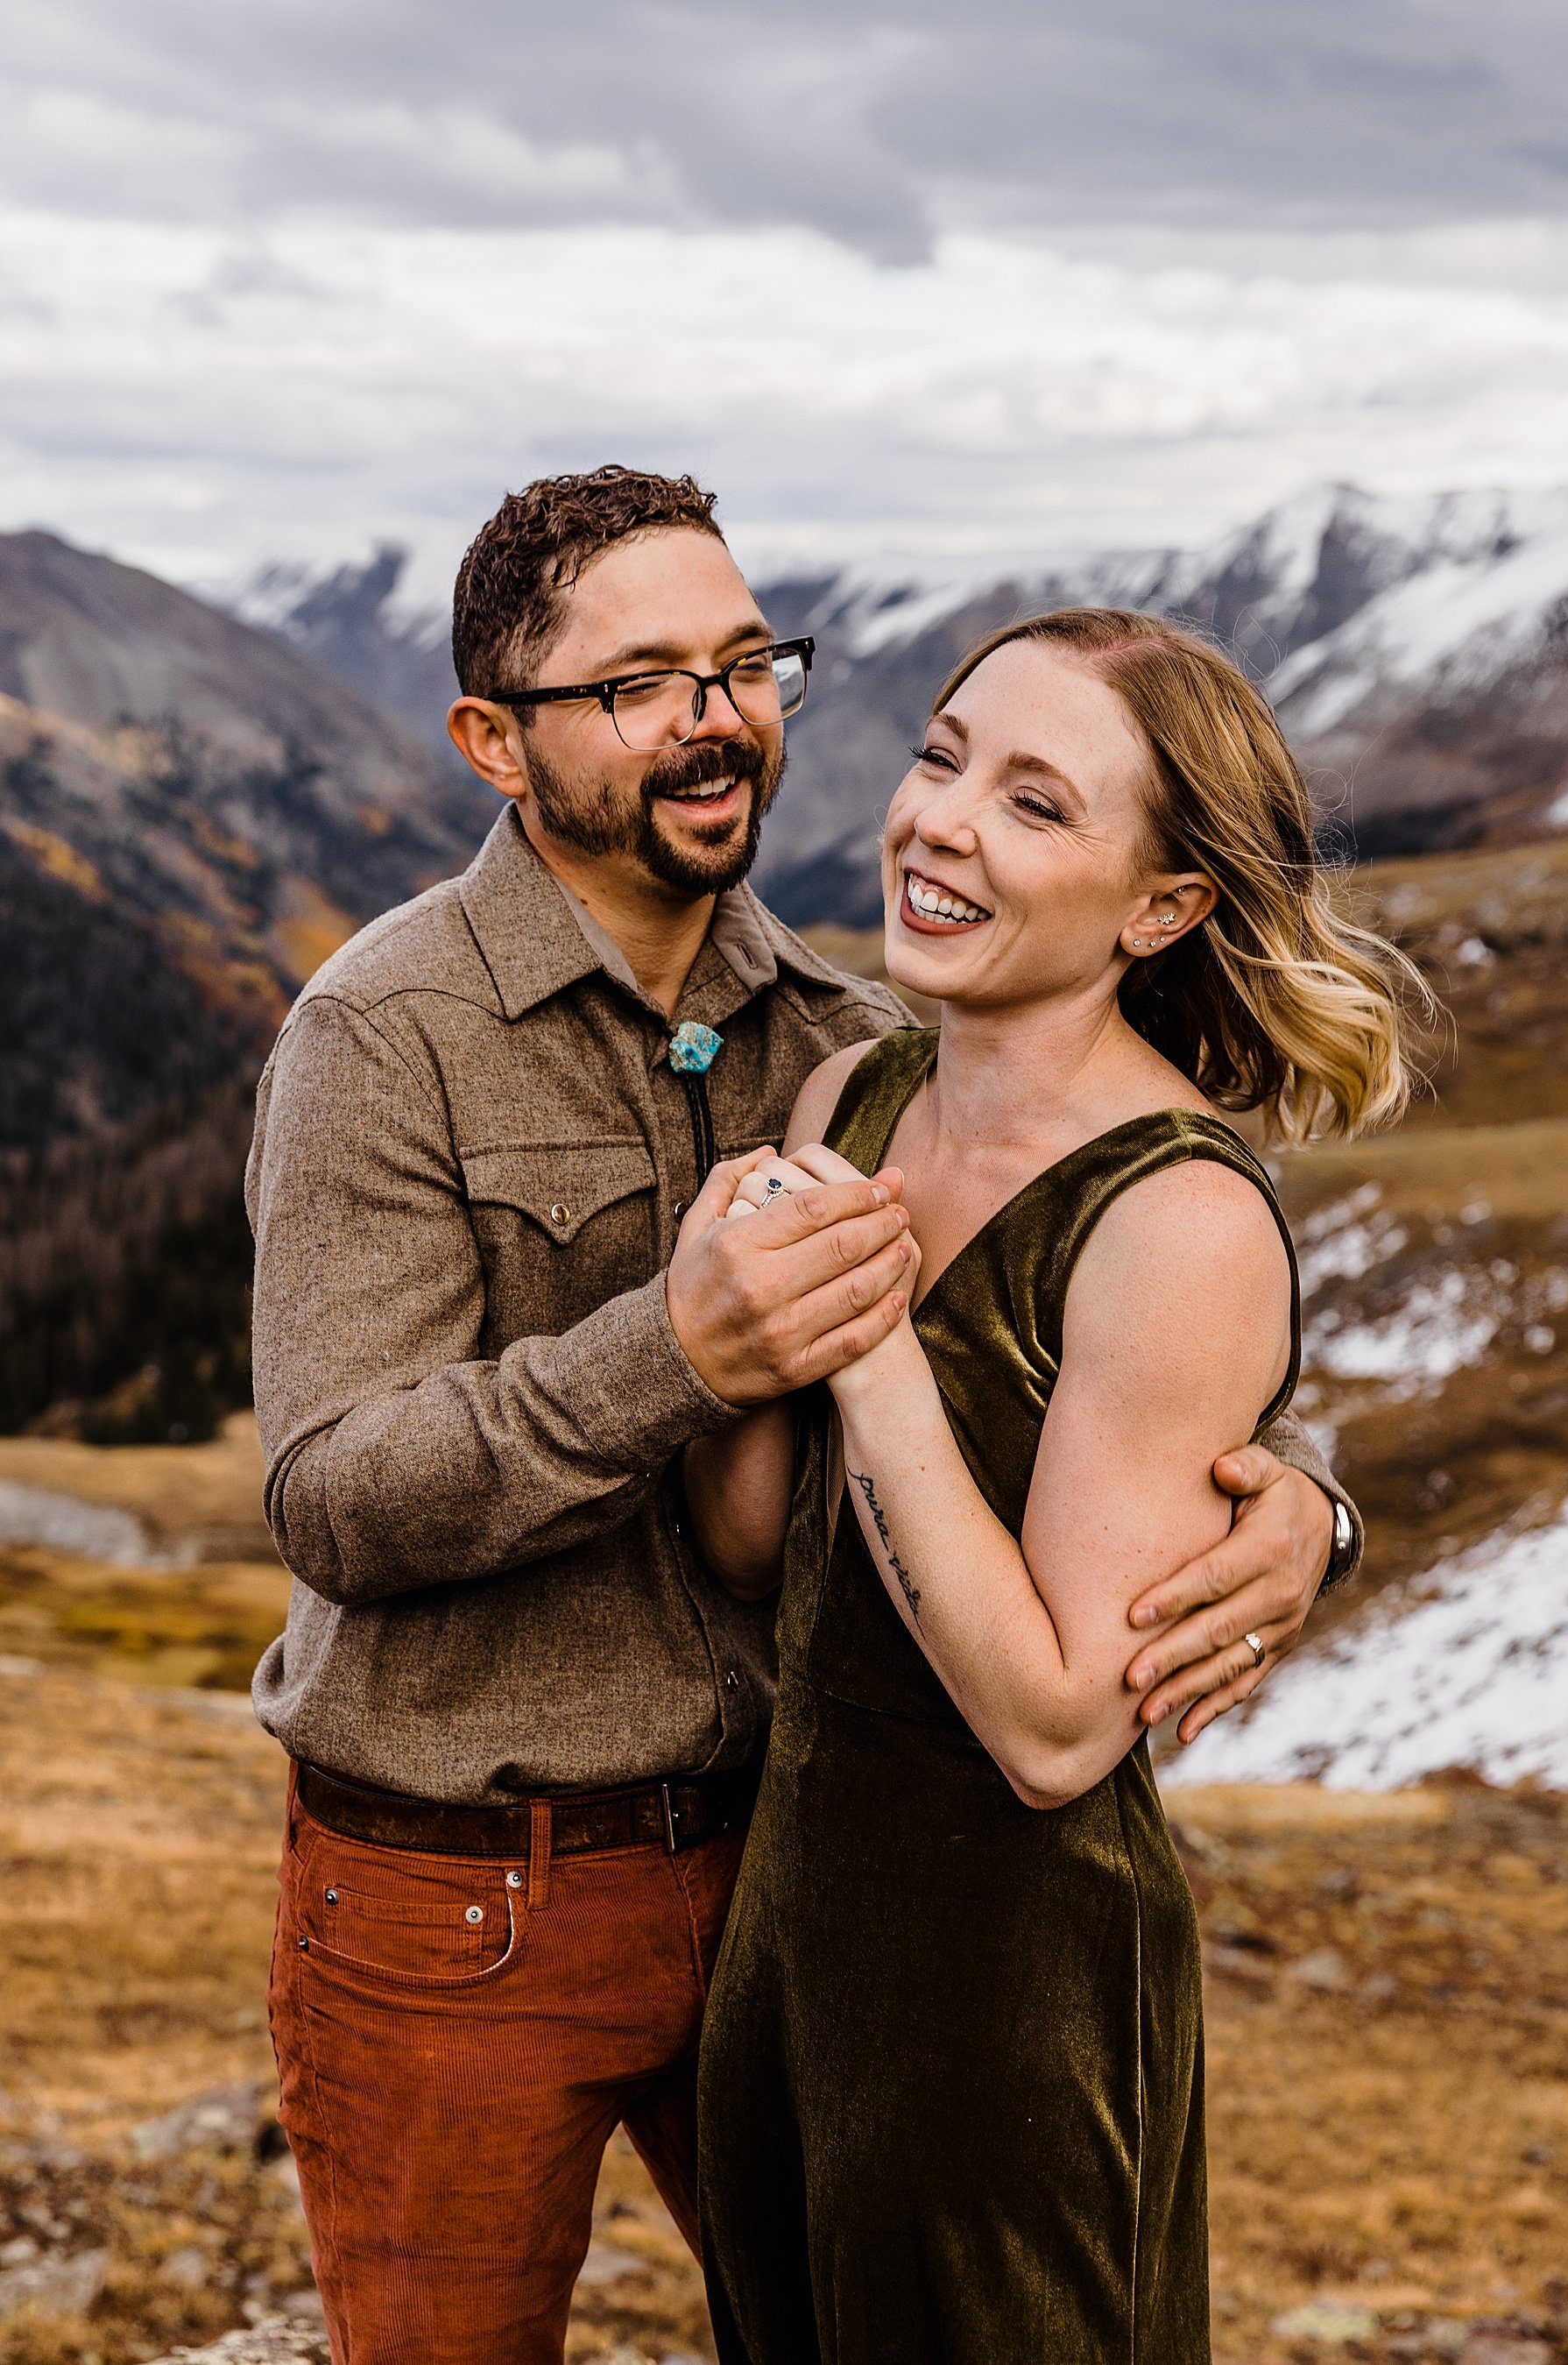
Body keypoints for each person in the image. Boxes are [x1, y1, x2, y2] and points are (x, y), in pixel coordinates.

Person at [246, 469, 1357, 2365]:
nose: (714, 714)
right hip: (462, 1904)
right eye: (638, 683)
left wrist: (1310, 1510)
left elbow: (1097, 1320)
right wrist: (684, 1348)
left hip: (777, 1885)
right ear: (494, 744)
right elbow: (337, 1505)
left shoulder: (836, 1041)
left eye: (744, 661)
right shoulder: (384, 1032)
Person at [691, 607, 1415, 2364]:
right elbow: (756, 1548)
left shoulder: (1175, 1221)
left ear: (1158, 909)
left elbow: (1058, 1733)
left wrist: (868, 1357)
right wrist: (718, 1335)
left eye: (1034, 803)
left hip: (1015, 2001)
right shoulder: (855, 1097)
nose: (940, 822)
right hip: (788, 1962)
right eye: (942, 760)